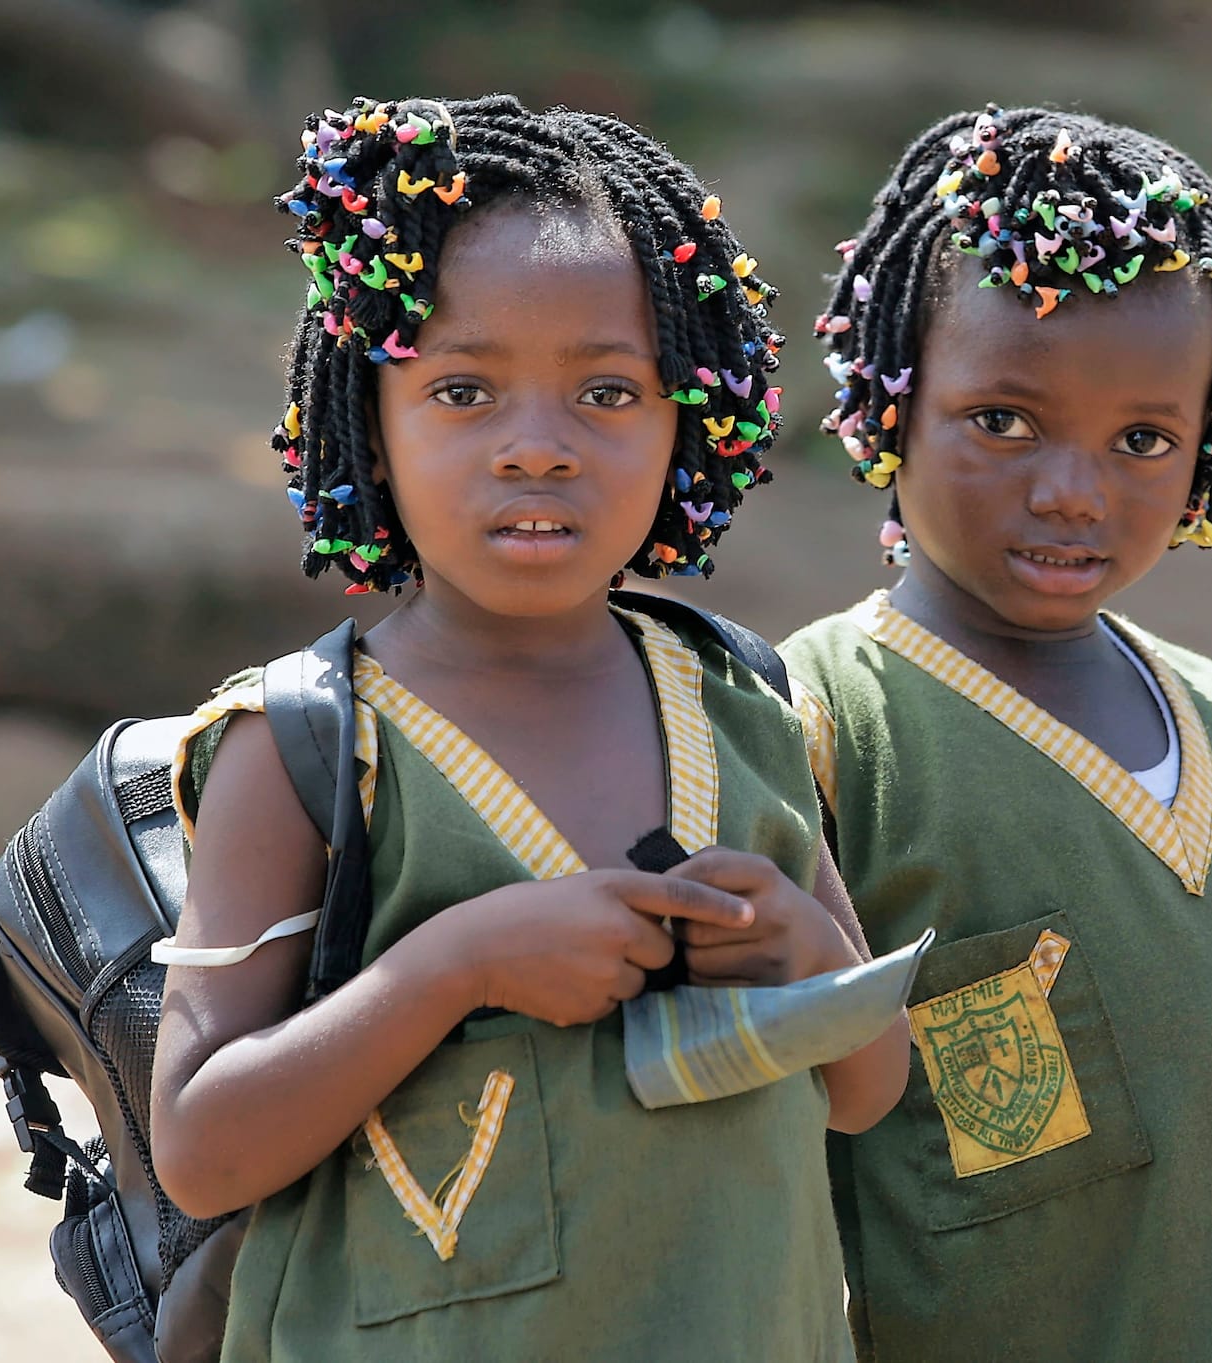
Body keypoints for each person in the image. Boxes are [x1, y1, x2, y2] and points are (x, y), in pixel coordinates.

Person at [148, 92, 905, 1362]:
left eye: (609, 391)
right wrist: (453, 967)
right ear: (370, 429)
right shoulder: (308, 748)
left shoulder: (745, 706)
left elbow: (866, 1088)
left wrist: (805, 954)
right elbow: (202, 1150)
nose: (538, 448)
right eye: (462, 390)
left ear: (691, 421)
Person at [782, 104, 1212, 1362]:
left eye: (1143, 440)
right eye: (1003, 420)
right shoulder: (831, 723)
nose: (1073, 489)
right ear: (889, 401)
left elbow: (1197, 1049)